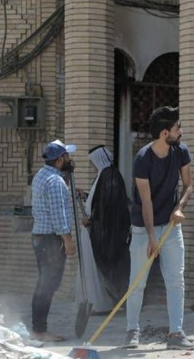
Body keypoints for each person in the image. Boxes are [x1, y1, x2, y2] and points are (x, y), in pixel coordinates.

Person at [125, 106, 194, 350]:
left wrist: (179, 207)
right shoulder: (143, 159)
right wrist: (152, 237)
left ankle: (176, 333)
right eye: (178, 128)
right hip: (144, 228)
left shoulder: (181, 152)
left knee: (176, 280)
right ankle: (132, 331)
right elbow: (145, 202)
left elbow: (188, 185)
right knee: (138, 283)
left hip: (171, 225)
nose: (181, 132)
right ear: (165, 133)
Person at [30, 139, 77, 341]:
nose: (70, 159)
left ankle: (38, 328)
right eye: (67, 156)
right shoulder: (56, 182)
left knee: (45, 283)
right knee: (48, 284)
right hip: (52, 240)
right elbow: (59, 216)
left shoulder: (42, 175)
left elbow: (55, 202)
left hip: (41, 237)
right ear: (59, 160)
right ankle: (40, 331)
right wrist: (67, 240)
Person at [77, 145, 131, 311]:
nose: (92, 165)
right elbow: (99, 200)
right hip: (97, 229)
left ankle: (106, 303)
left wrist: (92, 220)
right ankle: (99, 302)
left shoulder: (110, 176)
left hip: (106, 232)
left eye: (93, 162)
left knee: (106, 266)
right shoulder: (104, 175)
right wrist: (86, 196)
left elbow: (109, 207)